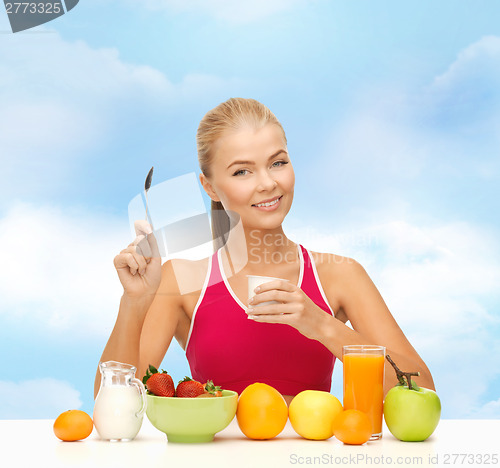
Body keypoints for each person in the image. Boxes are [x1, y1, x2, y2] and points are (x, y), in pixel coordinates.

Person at [94, 98, 435, 404]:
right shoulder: (181, 279)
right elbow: (113, 406)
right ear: (209, 186)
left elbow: (422, 392)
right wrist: (134, 302)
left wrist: (323, 326)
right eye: (242, 171)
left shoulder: (340, 275)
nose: (268, 183)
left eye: (277, 163)